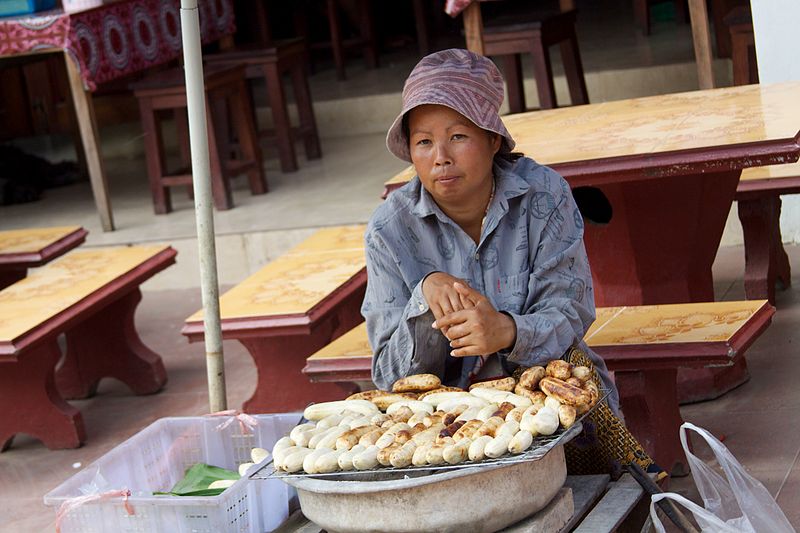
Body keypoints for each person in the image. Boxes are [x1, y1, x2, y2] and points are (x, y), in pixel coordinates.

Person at [361, 48, 620, 414]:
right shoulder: (388, 230)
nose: (440, 157)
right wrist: (424, 299)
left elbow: (571, 311)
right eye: (423, 142)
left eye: (458, 136)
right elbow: (389, 375)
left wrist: (506, 331)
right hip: (441, 423)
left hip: (548, 400)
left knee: (601, 454)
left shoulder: (542, 196)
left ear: (493, 140)